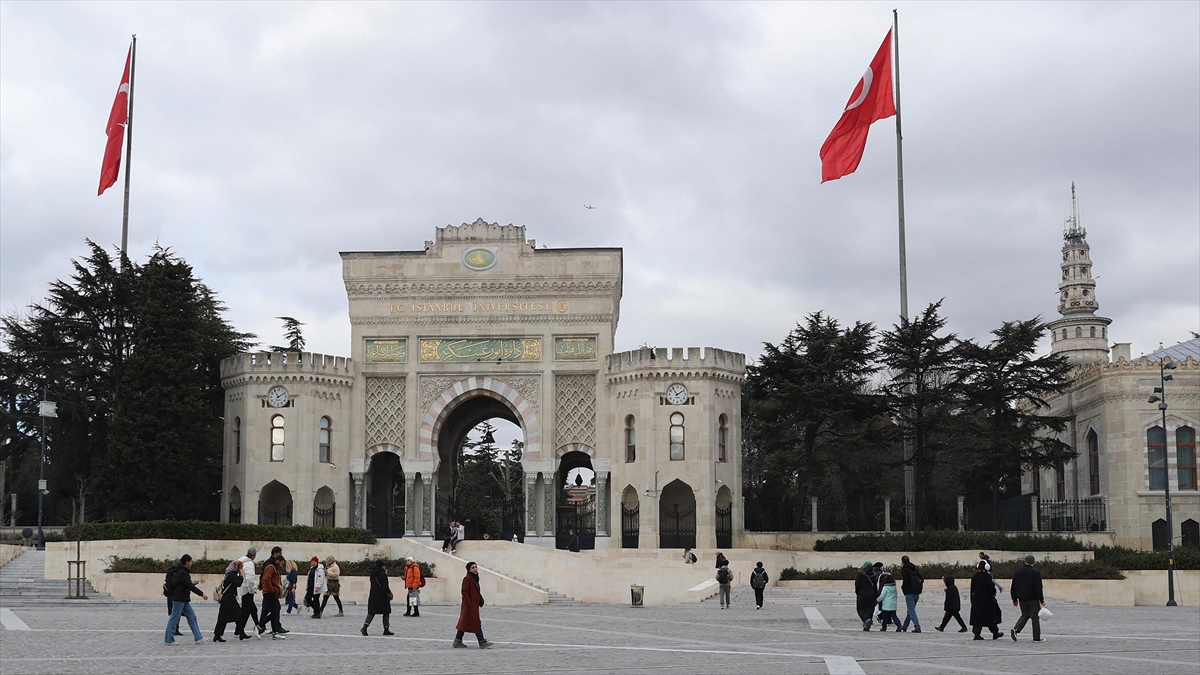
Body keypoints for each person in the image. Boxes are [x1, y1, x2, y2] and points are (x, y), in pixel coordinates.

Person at [164, 554, 208, 645]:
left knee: (192, 617)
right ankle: (169, 639)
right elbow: (189, 586)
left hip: (183, 598)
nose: (191, 563)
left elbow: (185, 584)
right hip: (179, 598)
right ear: (186, 562)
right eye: (191, 561)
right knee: (174, 618)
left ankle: (198, 637)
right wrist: (202, 594)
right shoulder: (182, 572)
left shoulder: (181, 571)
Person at [453, 561, 493, 648]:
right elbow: (464, 592)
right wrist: (468, 604)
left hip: (473, 605)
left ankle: (457, 640)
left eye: (476, 567)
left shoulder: (474, 578)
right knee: (475, 622)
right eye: (473, 568)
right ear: (469, 569)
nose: (475, 569)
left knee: (465, 623)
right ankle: (481, 641)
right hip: (469, 606)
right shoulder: (467, 578)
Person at [1010, 554, 1046, 642]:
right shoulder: (1035, 572)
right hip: (1033, 598)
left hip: (1021, 598)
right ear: (1033, 562)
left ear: (1025, 561)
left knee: (1025, 614)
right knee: (1035, 617)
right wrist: (1041, 600)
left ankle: (1016, 629)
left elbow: (1013, 587)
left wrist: (1014, 599)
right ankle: (1036, 637)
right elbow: (1038, 587)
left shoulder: (1017, 572)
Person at [969, 560, 1004, 640]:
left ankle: (977, 634)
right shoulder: (987, 576)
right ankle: (995, 632)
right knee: (990, 617)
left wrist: (972, 600)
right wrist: (993, 593)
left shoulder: (975, 576)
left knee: (978, 617)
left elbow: (972, 589)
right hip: (987, 600)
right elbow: (991, 588)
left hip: (977, 600)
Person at [213, 560, 244, 642]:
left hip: (230, 598)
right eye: (240, 567)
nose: (241, 569)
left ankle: (241, 633)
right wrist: (241, 575)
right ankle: (217, 635)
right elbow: (238, 583)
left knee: (237, 616)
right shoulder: (231, 574)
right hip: (228, 599)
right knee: (225, 617)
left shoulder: (231, 573)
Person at [361, 559, 394, 636]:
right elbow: (385, 586)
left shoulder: (372, 574)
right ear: (383, 566)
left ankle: (365, 627)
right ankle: (386, 629)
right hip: (382, 596)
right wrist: (389, 593)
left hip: (373, 595)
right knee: (386, 612)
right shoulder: (383, 574)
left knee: (371, 612)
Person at [258, 548, 286, 639]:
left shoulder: (274, 565)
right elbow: (265, 577)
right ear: (275, 554)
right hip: (269, 592)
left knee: (275, 609)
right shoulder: (270, 565)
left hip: (270, 591)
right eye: (279, 553)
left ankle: (275, 630)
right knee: (272, 610)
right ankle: (260, 626)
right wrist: (271, 590)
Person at [234, 547, 261, 640]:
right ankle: (240, 631)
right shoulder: (249, 564)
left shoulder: (243, 562)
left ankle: (258, 626)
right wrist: (251, 590)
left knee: (253, 610)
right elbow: (249, 578)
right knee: (245, 612)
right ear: (253, 555)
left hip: (244, 589)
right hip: (247, 590)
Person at [900, 555, 924, 633]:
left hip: (909, 592)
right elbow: (922, 579)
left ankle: (917, 627)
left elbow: (906, 582)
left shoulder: (905, 570)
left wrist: (903, 588)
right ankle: (905, 626)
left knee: (911, 611)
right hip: (916, 592)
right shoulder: (914, 569)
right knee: (910, 611)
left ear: (902, 562)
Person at [875, 567, 903, 631]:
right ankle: (899, 625)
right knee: (894, 616)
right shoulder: (894, 587)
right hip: (893, 604)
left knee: (885, 617)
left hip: (886, 605)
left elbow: (882, 596)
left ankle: (884, 627)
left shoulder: (885, 587)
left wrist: (877, 600)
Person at [854, 562, 877, 631]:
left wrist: (857, 592)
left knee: (860, 609)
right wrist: (875, 595)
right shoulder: (874, 574)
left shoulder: (860, 574)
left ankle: (867, 620)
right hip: (871, 594)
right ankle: (866, 626)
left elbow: (857, 584)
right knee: (870, 609)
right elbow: (875, 586)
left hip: (862, 593)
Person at [164, 559, 183, 637]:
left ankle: (175, 629)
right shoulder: (174, 572)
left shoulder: (170, 572)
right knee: (175, 613)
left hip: (172, 594)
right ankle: (174, 629)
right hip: (173, 594)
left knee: (174, 613)